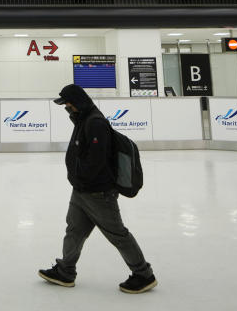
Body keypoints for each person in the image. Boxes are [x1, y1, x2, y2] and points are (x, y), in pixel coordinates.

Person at [38, 83, 157, 294]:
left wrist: (83, 180)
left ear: (77, 102)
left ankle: (143, 274)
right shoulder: (83, 119)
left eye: (67, 103)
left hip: (98, 193)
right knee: (74, 230)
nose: (66, 107)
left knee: (117, 234)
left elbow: (96, 160)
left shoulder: (95, 123)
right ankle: (66, 270)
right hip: (81, 191)